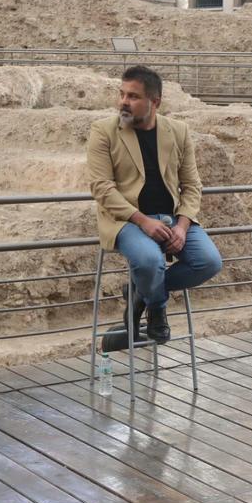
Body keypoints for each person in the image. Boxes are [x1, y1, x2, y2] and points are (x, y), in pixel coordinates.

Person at [87, 65, 222, 349]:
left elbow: (192, 185)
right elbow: (101, 188)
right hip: (128, 221)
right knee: (149, 262)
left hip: (172, 219)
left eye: (133, 96)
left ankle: (139, 293)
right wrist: (142, 221)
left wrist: (183, 227)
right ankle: (157, 309)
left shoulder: (178, 131)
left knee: (209, 262)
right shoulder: (103, 131)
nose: (123, 101)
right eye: (122, 94)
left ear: (155, 102)